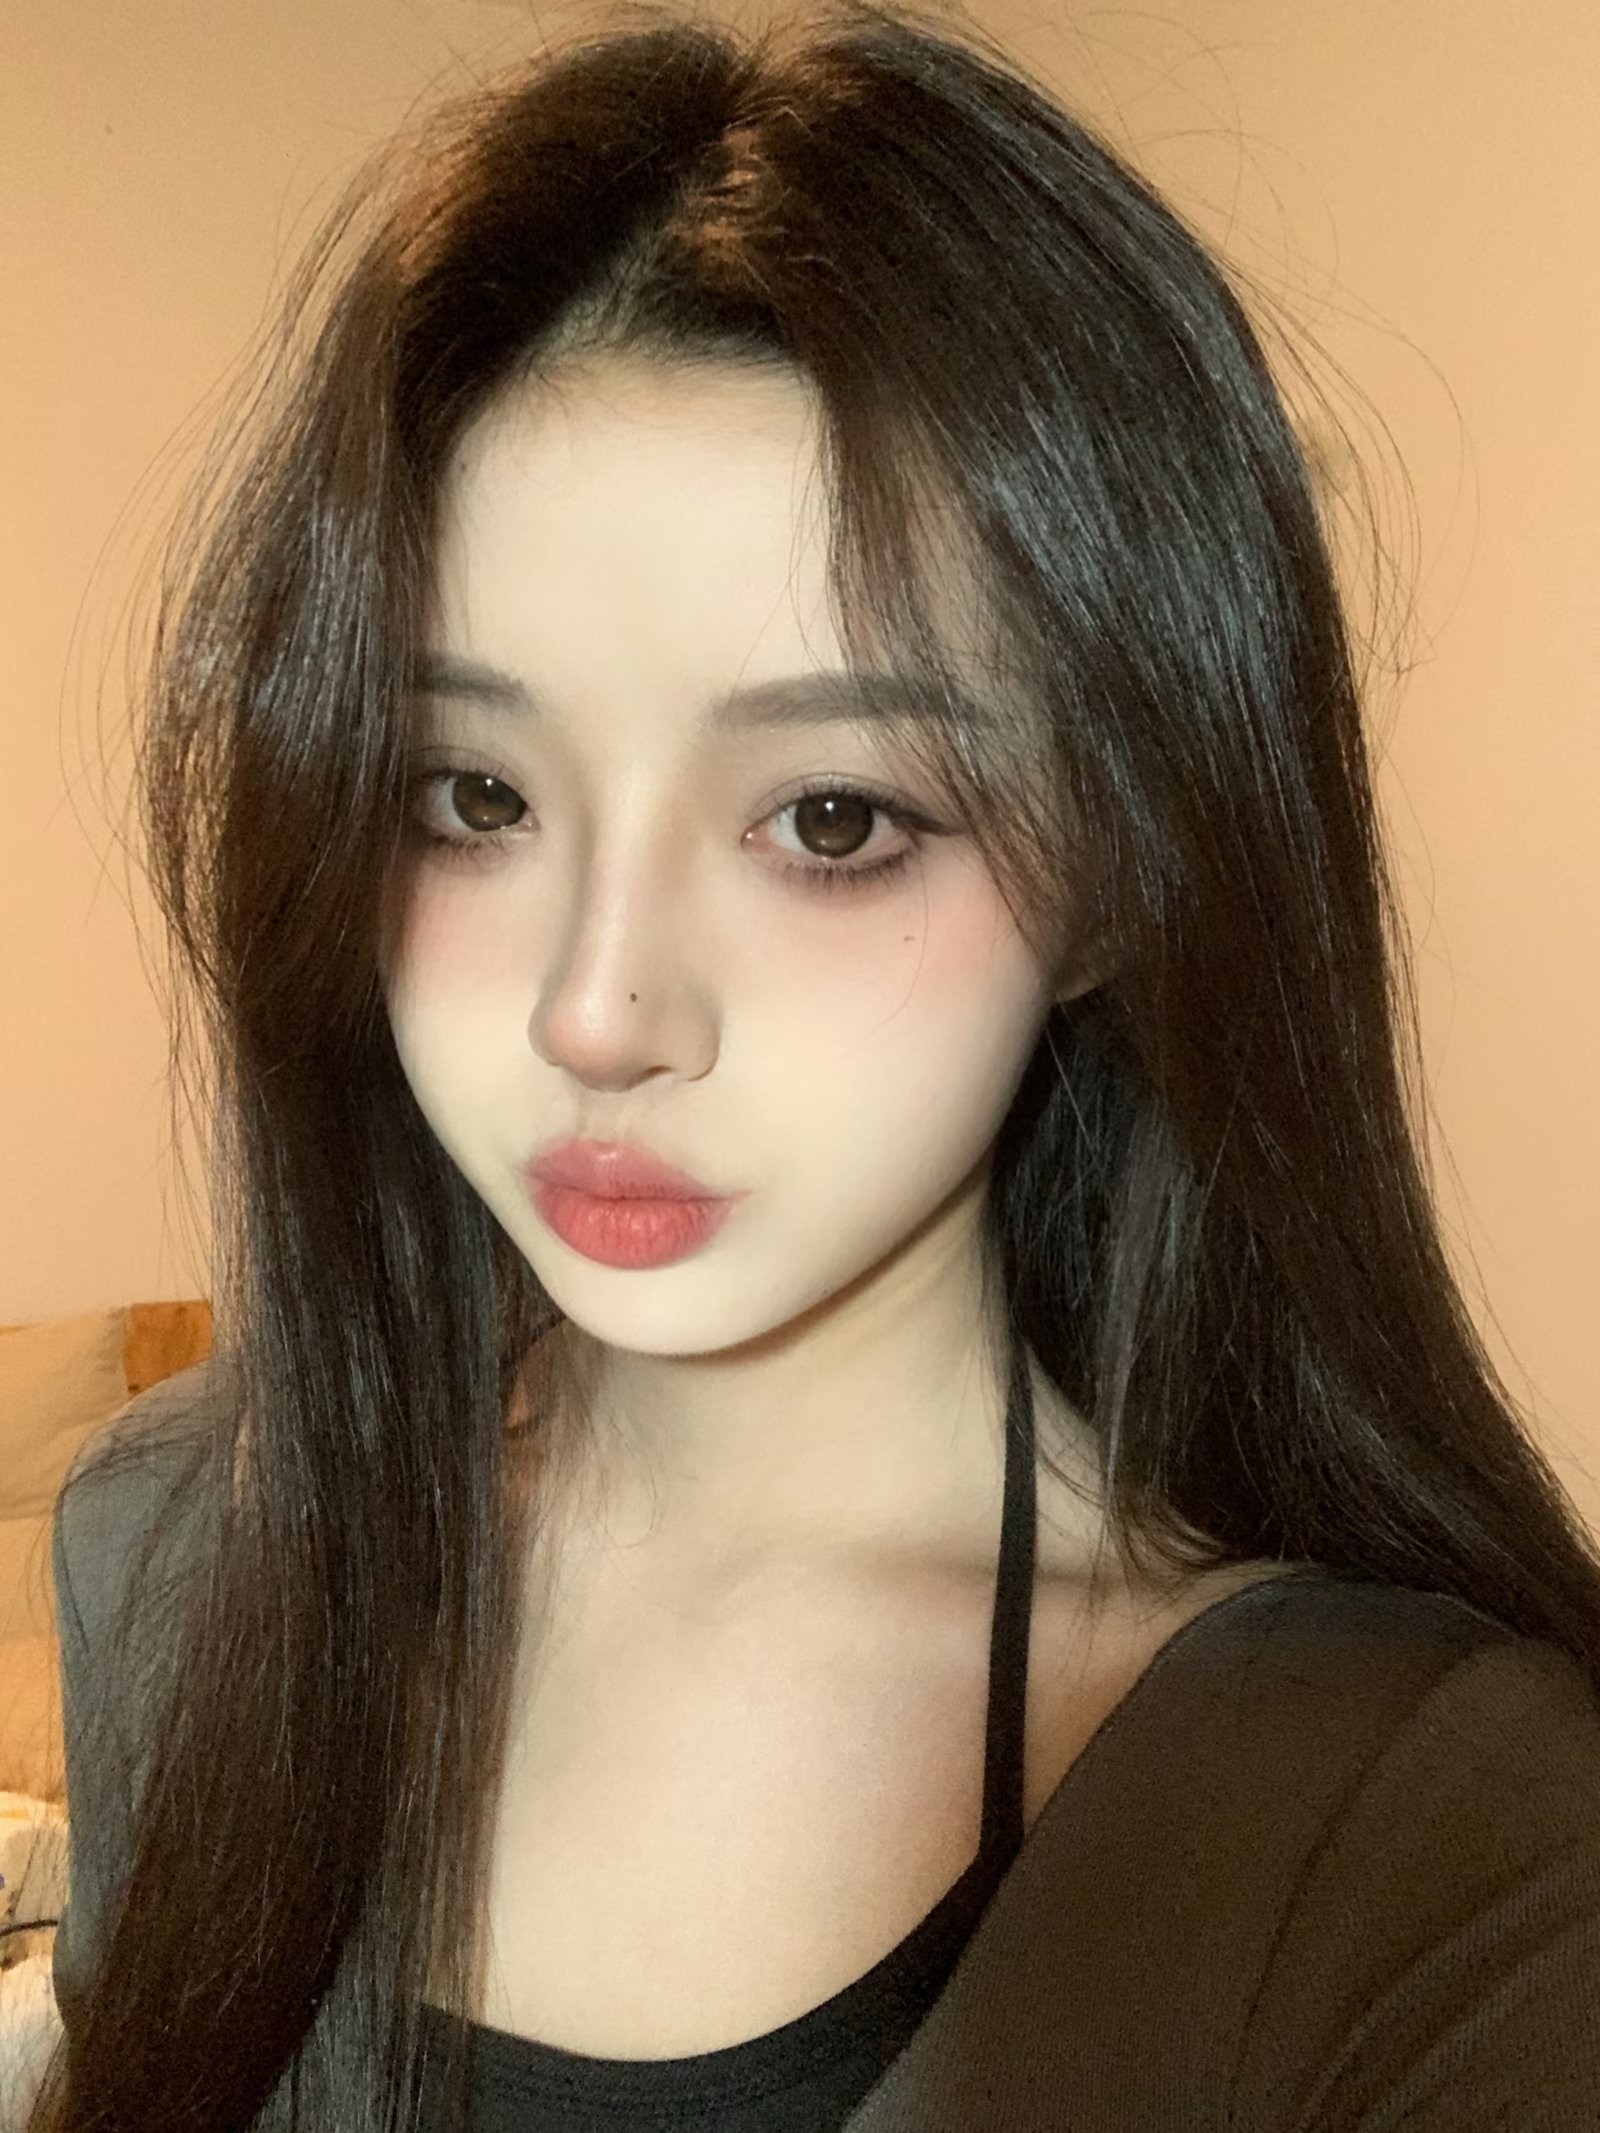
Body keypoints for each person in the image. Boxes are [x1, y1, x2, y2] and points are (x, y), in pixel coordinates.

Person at [27, 3, 1600, 2128]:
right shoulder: (183, 1546)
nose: (598, 1011)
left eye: (833, 818)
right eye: (472, 794)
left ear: (1122, 872)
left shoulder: (1427, 1838)